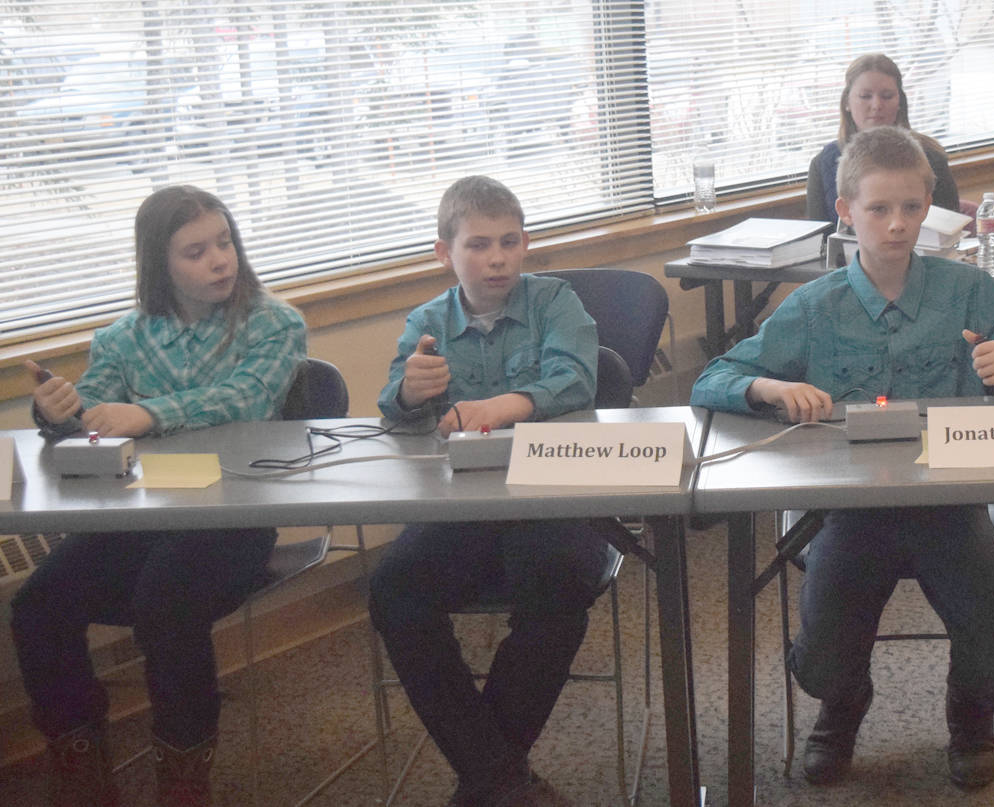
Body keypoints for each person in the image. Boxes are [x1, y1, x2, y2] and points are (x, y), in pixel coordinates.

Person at [694, 126, 994, 791]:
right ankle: (842, 705)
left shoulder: (967, 290)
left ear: (929, 205)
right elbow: (714, 378)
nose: (896, 225)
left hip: (947, 501)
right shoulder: (814, 305)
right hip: (848, 508)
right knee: (827, 649)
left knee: (989, 639)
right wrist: (770, 386)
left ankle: (971, 711)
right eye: (877, 209)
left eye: (910, 208)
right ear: (845, 211)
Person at [11, 185, 307, 807]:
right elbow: (92, 418)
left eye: (224, 242)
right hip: (140, 516)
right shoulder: (122, 339)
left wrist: (146, 413)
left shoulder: (274, 322)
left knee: (165, 599)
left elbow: (246, 400)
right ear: (160, 264)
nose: (220, 260)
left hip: (236, 516)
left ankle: (182, 776)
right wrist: (59, 415)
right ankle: (82, 769)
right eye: (196, 251)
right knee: (37, 603)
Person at [369, 176, 610, 807]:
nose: (496, 257)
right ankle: (498, 775)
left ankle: (486, 777)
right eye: (478, 245)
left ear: (526, 244)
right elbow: (396, 413)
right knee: (394, 588)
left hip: (550, 493)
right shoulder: (426, 322)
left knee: (559, 578)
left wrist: (499, 407)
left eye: (509, 242)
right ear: (444, 253)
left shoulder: (555, 301)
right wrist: (410, 393)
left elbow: (578, 379)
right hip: (462, 502)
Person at [805, 53, 959, 226]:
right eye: (865, 96)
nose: (877, 105)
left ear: (899, 101)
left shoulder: (932, 157)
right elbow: (819, 244)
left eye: (887, 96)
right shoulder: (822, 164)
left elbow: (949, 233)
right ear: (847, 102)